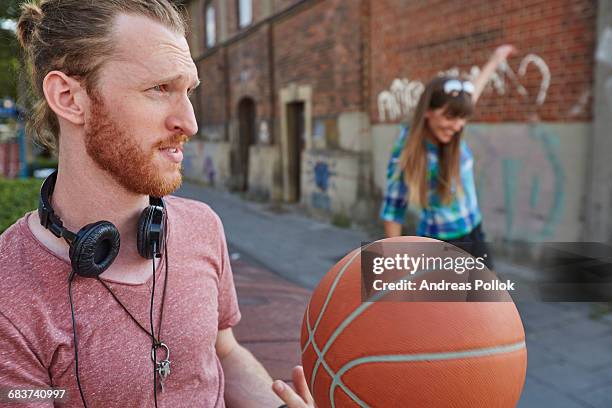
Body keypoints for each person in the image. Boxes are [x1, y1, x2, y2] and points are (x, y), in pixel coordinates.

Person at [0, 1, 313, 407]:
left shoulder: (203, 226)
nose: (189, 122)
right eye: (159, 89)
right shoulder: (10, 293)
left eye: (188, 91)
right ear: (70, 98)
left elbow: (223, 353)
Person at [380, 45, 517, 267]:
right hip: (438, 244)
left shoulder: (451, 132)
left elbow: (474, 91)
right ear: (427, 111)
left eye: (462, 118)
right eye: (450, 118)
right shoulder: (407, 150)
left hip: (474, 232)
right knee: (447, 301)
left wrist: (495, 59)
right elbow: (393, 211)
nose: (457, 126)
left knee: (487, 298)